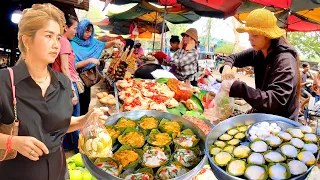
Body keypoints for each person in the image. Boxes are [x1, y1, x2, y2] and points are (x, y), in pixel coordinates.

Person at [0, 4, 108, 179]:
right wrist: (12, 142)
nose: (56, 45)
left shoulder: (63, 83)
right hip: (17, 173)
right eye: (48, 36)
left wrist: (85, 119)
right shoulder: (4, 81)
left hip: (58, 171)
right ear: (27, 40)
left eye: (58, 37)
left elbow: (59, 126)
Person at [220, 8, 300, 121]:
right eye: (249, 34)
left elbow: (275, 101)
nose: (249, 39)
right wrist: (227, 66)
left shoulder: (284, 59)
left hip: (282, 122)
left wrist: (240, 88)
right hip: (264, 115)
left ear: (267, 35)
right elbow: (234, 57)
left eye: (255, 35)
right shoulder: (258, 52)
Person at [71, 19, 123, 115]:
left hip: (87, 78)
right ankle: (77, 126)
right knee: (77, 104)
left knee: (86, 102)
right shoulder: (72, 43)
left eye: (91, 31)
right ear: (80, 30)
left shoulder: (91, 42)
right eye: (86, 31)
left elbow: (103, 45)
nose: (89, 34)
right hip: (76, 78)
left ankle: (83, 123)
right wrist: (90, 60)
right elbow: (73, 65)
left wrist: (114, 42)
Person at [52, 14, 81, 153]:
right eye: (74, 28)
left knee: (67, 118)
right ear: (65, 27)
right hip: (66, 84)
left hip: (61, 83)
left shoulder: (62, 41)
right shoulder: (64, 41)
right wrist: (72, 91)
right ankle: (79, 151)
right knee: (75, 119)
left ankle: (68, 147)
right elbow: (64, 68)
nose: (75, 31)